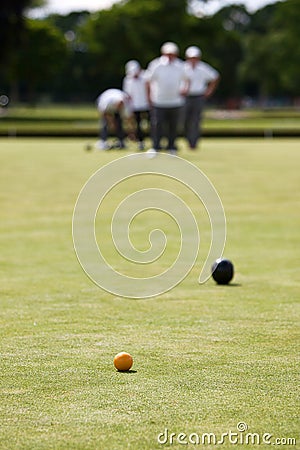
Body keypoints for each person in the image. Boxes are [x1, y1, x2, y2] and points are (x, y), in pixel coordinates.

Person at [145, 41, 190, 154]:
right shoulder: (155, 64)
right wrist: (149, 96)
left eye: (172, 54)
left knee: (173, 125)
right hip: (159, 100)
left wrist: (185, 89)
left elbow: (187, 80)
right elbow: (148, 81)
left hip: (176, 101)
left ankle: (171, 147)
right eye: (168, 54)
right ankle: (156, 147)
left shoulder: (181, 65)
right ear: (163, 53)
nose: (170, 56)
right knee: (157, 125)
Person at [183, 45, 220, 150]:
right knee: (185, 120)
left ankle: (193, 143)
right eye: (191, 58)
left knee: (195, 120)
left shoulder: (203, 67)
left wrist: (210, 90)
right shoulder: (183, 67)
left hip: (198, 96)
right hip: (185, 97)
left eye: (195, 57)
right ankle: (188, 138)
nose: (193, 60)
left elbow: (215, 76)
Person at [122, 60, 150, 151]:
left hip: (147, 104)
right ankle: (141, 142)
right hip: (135, 106)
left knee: (152, 123)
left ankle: (156, 141)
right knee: (138, 125)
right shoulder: (127, 79)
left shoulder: (146, 76)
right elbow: (128, 94)